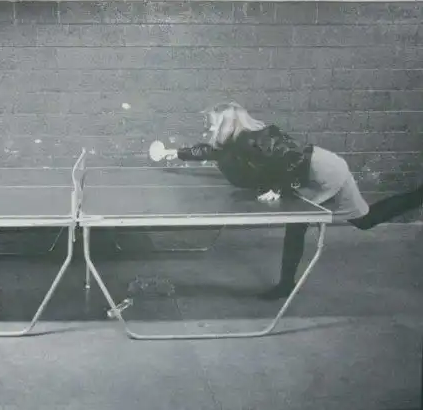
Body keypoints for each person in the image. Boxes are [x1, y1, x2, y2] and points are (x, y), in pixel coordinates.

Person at [154, 101, 423, 300]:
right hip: (305, 176)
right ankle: (285, 285)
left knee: (364, 221)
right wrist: (174, 153)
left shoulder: (261, 138)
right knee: (296, 226)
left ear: (227, 123)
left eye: (212, 122)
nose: (209, 127)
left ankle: (418, 196)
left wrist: (278, 189)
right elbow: (208, 151)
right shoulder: (234, 140)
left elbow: (292, 158)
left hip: (326, 172)